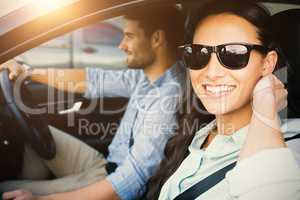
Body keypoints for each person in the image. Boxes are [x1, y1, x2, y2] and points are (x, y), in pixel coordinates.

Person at [0, 6, 186, 200]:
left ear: (156, 39)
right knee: (27, 134)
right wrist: (27, 72)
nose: (121, 45)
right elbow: (94, 80)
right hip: (104, 163)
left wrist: (39, 199)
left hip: (109, 180)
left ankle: (30, 187)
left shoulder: (169, 96)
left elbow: (130, 182)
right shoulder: (146, 75)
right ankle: (34, 183)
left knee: (5, 189)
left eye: (129, 36)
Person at [146, 1, 300, 199]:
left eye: (233, 54)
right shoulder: (201, 132)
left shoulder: (289, 151)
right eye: (198, 54)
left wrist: (265, 110)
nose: (211, 72)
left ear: (267, 63)